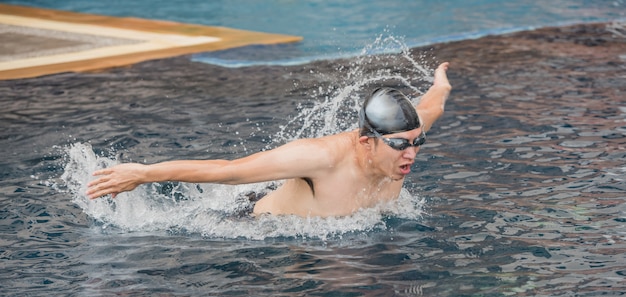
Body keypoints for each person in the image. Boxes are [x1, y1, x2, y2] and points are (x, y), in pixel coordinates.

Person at [87, 62, 452, 217]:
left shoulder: (403, 135)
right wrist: (144, 174)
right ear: (365, 141)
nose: (411, 154)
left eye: (416, 143)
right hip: (254, 225)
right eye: (401, 145)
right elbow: (228, 171)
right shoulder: (320, 158)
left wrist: (441, 85)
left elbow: (430, 108)